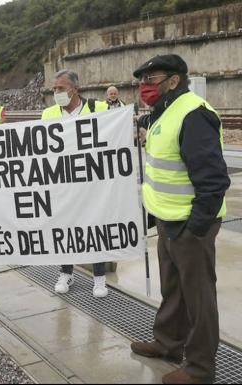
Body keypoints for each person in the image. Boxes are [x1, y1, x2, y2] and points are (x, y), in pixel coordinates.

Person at [130, 54, 230, 385]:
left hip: (190, 224)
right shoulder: (165, 111)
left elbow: (214, 181)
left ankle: (200, 369)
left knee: (199, 299)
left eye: (151, 79)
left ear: (173, 80)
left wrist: (196, 228)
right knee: (173, 289)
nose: (145, 86)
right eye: (142, 81)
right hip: (167, 220)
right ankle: (168, 344)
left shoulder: (193, 114)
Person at [41, 69, 110, 298]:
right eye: (54, 89)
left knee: (95, 229)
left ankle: (99, 278)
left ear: (75, 88)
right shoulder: (49, 114)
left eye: (60, 88)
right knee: (65, 228)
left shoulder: (98, 108)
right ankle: (66, 272)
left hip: (92, 183)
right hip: (63, 183)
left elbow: (113, 135)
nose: (56, 92)